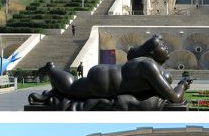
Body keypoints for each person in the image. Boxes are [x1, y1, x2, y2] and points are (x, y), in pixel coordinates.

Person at [30, 35, 190, 108]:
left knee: (73, 87)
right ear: (152, 53)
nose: (166, 47)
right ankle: (51, 69)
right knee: (71, 89)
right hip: (104, 83)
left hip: (105, 75)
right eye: (161, 46)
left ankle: (52, 71)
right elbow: (174, 97)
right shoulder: (149, 66)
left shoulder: (145, 63)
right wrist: (182, 84)